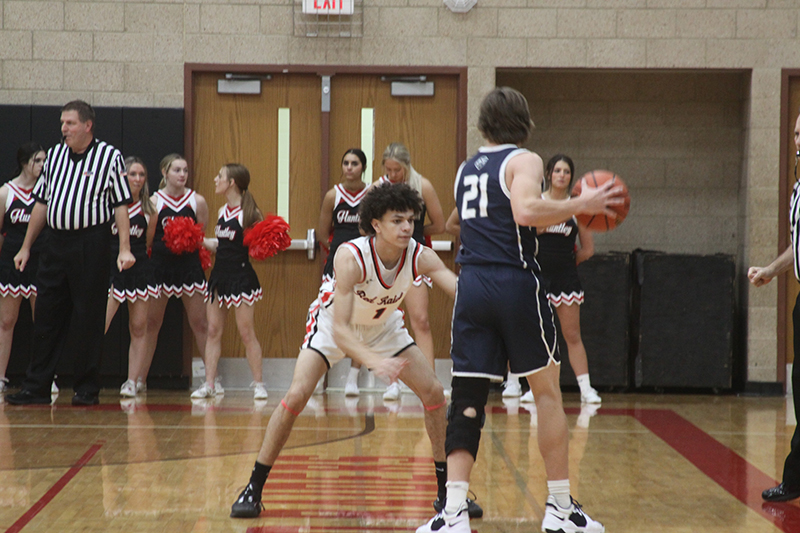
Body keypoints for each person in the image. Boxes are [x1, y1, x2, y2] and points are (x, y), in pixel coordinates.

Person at [417, 87, 620, 533]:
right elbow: (526, 210)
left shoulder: (465, 168)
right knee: (546, 393)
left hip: (470, 285)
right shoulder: (524, 160)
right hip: (514, 280)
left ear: (482, 124)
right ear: (524, 123)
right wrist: (578, 205)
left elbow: (462, 222)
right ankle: (561, 509)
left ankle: (452, 514)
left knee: (467, 398)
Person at [229, 182, 477, 520]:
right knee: (298, 395)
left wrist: (495, 301)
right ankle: (254, 486)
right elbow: (343, 332)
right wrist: (374, 361)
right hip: (333, 327)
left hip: (383, 328)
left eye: (410, 220)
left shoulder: (419, 255)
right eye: (397, 221)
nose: (407, 227)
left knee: (434, 393)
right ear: (376, 224)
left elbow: (459, 290)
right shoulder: (351, 256)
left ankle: (448, 492)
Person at [5, 100, 135, 406]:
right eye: (62, 123)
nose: (64, 128)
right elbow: (41, 203)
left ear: (87, 126)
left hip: (91, 243)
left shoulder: (109, 156)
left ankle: (86, 389)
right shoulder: (55, 156)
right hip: (55, 244)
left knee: (88, 318)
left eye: (70, 123)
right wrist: (26, 246)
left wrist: (125, 248)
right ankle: (36, 386)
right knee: (47, 315)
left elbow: (120, 205)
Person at [506, 154, 601, 405]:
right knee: (528, 333)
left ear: (571, 176)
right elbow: (523, 233)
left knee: (571, 334)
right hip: (534, 277)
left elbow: (587, 249)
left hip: (564, 279)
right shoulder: (536, 202)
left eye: (566, 172)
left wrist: (567, 264)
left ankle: (586, 389)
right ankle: (520, 384)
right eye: (557, 170)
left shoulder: (577, 207)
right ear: (548, 174)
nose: (561, 175)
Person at [749, 110, 800, 503]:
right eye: (796, 134)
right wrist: (771, 269)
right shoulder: (798, 192)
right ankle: (795, 480)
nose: (798, 140)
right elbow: (796, 248)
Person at [191, 164, 266, 401]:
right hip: (219, 278)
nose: (216, 179)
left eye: (220, 176)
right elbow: (222, 247)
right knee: (213, 330)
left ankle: (258, 384)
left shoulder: (250, 213)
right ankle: (210, 384)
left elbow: (255, 250)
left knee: (246, 332)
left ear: (232, 182)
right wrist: (198, 240)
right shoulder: (223, 210)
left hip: (241, 278)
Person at [377, 143, 445, 401]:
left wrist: (413, 234)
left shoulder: (422, 185)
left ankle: (430, 382)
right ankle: (392, 382)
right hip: (385, 260)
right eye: (388, 169)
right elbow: (366, 225)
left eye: (398, 170)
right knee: (385, 322)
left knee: (421, 320)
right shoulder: (378, 188)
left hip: (413, 258)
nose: (393, 174)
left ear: (407, 166)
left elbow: (439, 223)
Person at [143, 154, 209, 392]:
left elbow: (200, 234)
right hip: (160, 269)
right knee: (151, 324)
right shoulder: (154, 201)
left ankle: (212, 380)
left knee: (201, 324)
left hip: (189, 268)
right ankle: (139, 380)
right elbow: (148, 240)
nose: (182, 175)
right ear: (164, 173)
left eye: (185, 170)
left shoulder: (197, 201)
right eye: (177, 170)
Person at [316, 148, 371, 396]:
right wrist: (338, 252)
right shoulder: (332, 196)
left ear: (363, 167)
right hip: (337, 260)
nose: (349, 167)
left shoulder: (371, 194)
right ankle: (317, 374)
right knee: (326, 315)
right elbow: (321, 232)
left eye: (355, 163)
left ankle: (353, 377)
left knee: (360, 319)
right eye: (346, 163)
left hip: (364, 260)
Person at [106, 157, 158, 398]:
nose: (137, 179)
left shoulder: (150, 210)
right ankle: (85, 377)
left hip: (139, 272)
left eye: (141, 174)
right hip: (111, 269)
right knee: (99, 325)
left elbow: (147, 243)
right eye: (132, 174)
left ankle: (131, 381)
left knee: (139, 328)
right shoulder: (109, 206)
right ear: (122, 177)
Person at [0, 142, 46, 394]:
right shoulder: (6, 193)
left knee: (43, 321)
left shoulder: (49, 192)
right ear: (24, 163)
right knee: (6, 321)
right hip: (11, 262)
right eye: (38, 161)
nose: (42, 165)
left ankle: (44, 376)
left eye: (44, 161)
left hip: (41, 261)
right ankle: (0, 376)